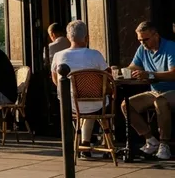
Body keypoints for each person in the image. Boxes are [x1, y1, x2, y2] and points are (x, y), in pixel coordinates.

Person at [50, 20, 109, 156]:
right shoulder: (95, 54)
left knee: (84, 104)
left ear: (68, 37)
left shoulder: (59, 56)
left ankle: (85, 143)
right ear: (87, 38)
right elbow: (107, 77)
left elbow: (55, 79)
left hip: (70, 103)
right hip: (96, 102)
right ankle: (101, 142)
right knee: (95, 102)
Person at [122, 21, 175, 161]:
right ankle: (151, 140)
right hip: (155, 91)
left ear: (156, 35)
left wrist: (150, 75)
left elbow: (173, 74)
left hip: (171, 89)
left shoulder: (170, 47)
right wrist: (123, 72)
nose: (143, 43)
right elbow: (134, 66)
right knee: (126, 105)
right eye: (140, 40)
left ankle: (165, 144)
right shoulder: (142, 49)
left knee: (161, 101)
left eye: (146, 39)